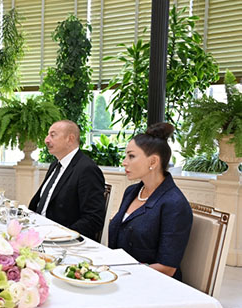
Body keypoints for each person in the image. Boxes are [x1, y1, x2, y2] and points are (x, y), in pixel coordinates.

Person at [108, 123, 192, 280]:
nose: (124, 162)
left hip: (154, 284)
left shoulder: (174, 204)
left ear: (153, 162)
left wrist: (118, 273)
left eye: (131, 156)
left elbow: (167, 268)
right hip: (121, 277)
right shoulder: (131, 192)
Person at [29, 120, 106, 240]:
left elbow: (94, 218)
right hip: (39, 232)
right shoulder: (55, 165)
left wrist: (62, 235)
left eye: (53, 135)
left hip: (62, 241)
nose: (46, 140)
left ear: (70, 139)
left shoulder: (87, 169)